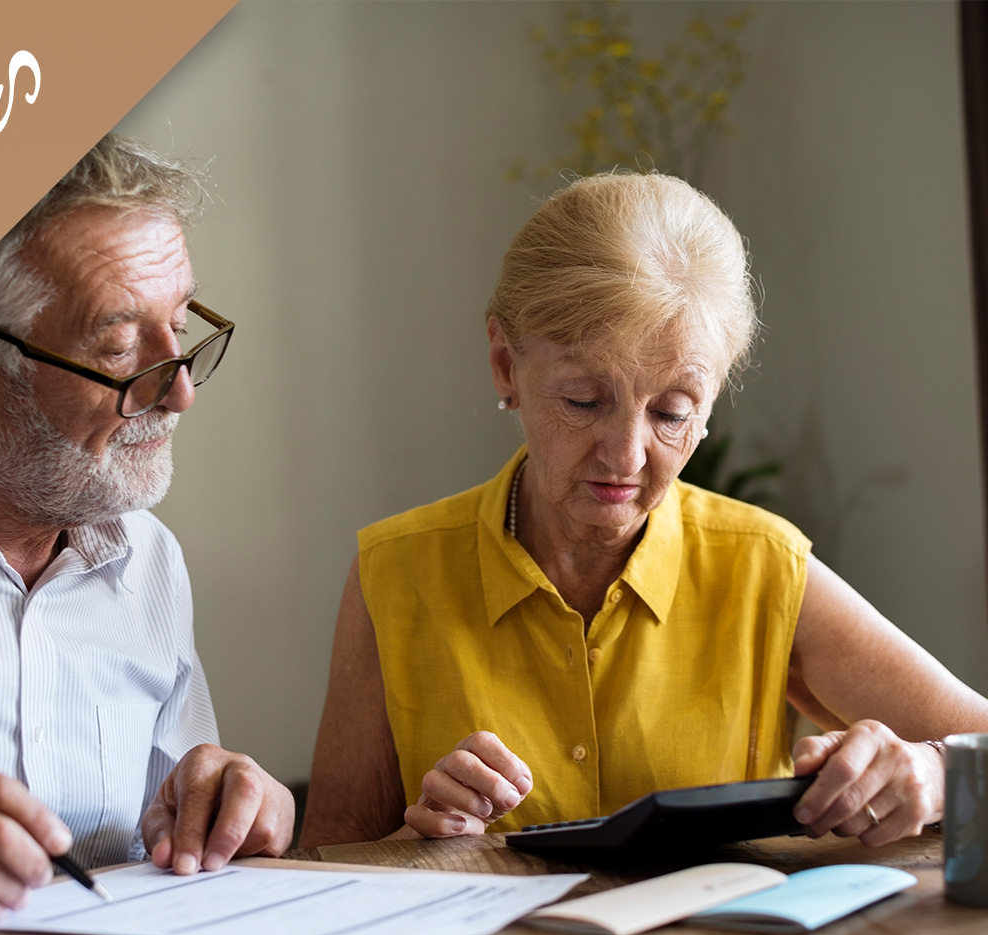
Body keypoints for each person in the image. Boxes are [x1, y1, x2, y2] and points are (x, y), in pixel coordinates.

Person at [300, 171, 988, 850]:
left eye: (671, 413)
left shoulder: (761, 567)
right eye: (584, 402)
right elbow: (329, 856)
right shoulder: (394, 574)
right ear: (506, 364)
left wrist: (932, 770)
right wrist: (416, 838)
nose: (626, 457)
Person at [0, 134, 293, 922]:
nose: (179, 391)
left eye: (181, 328)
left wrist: (230, 805)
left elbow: (175, 821)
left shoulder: (145, 560)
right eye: (119, 349)